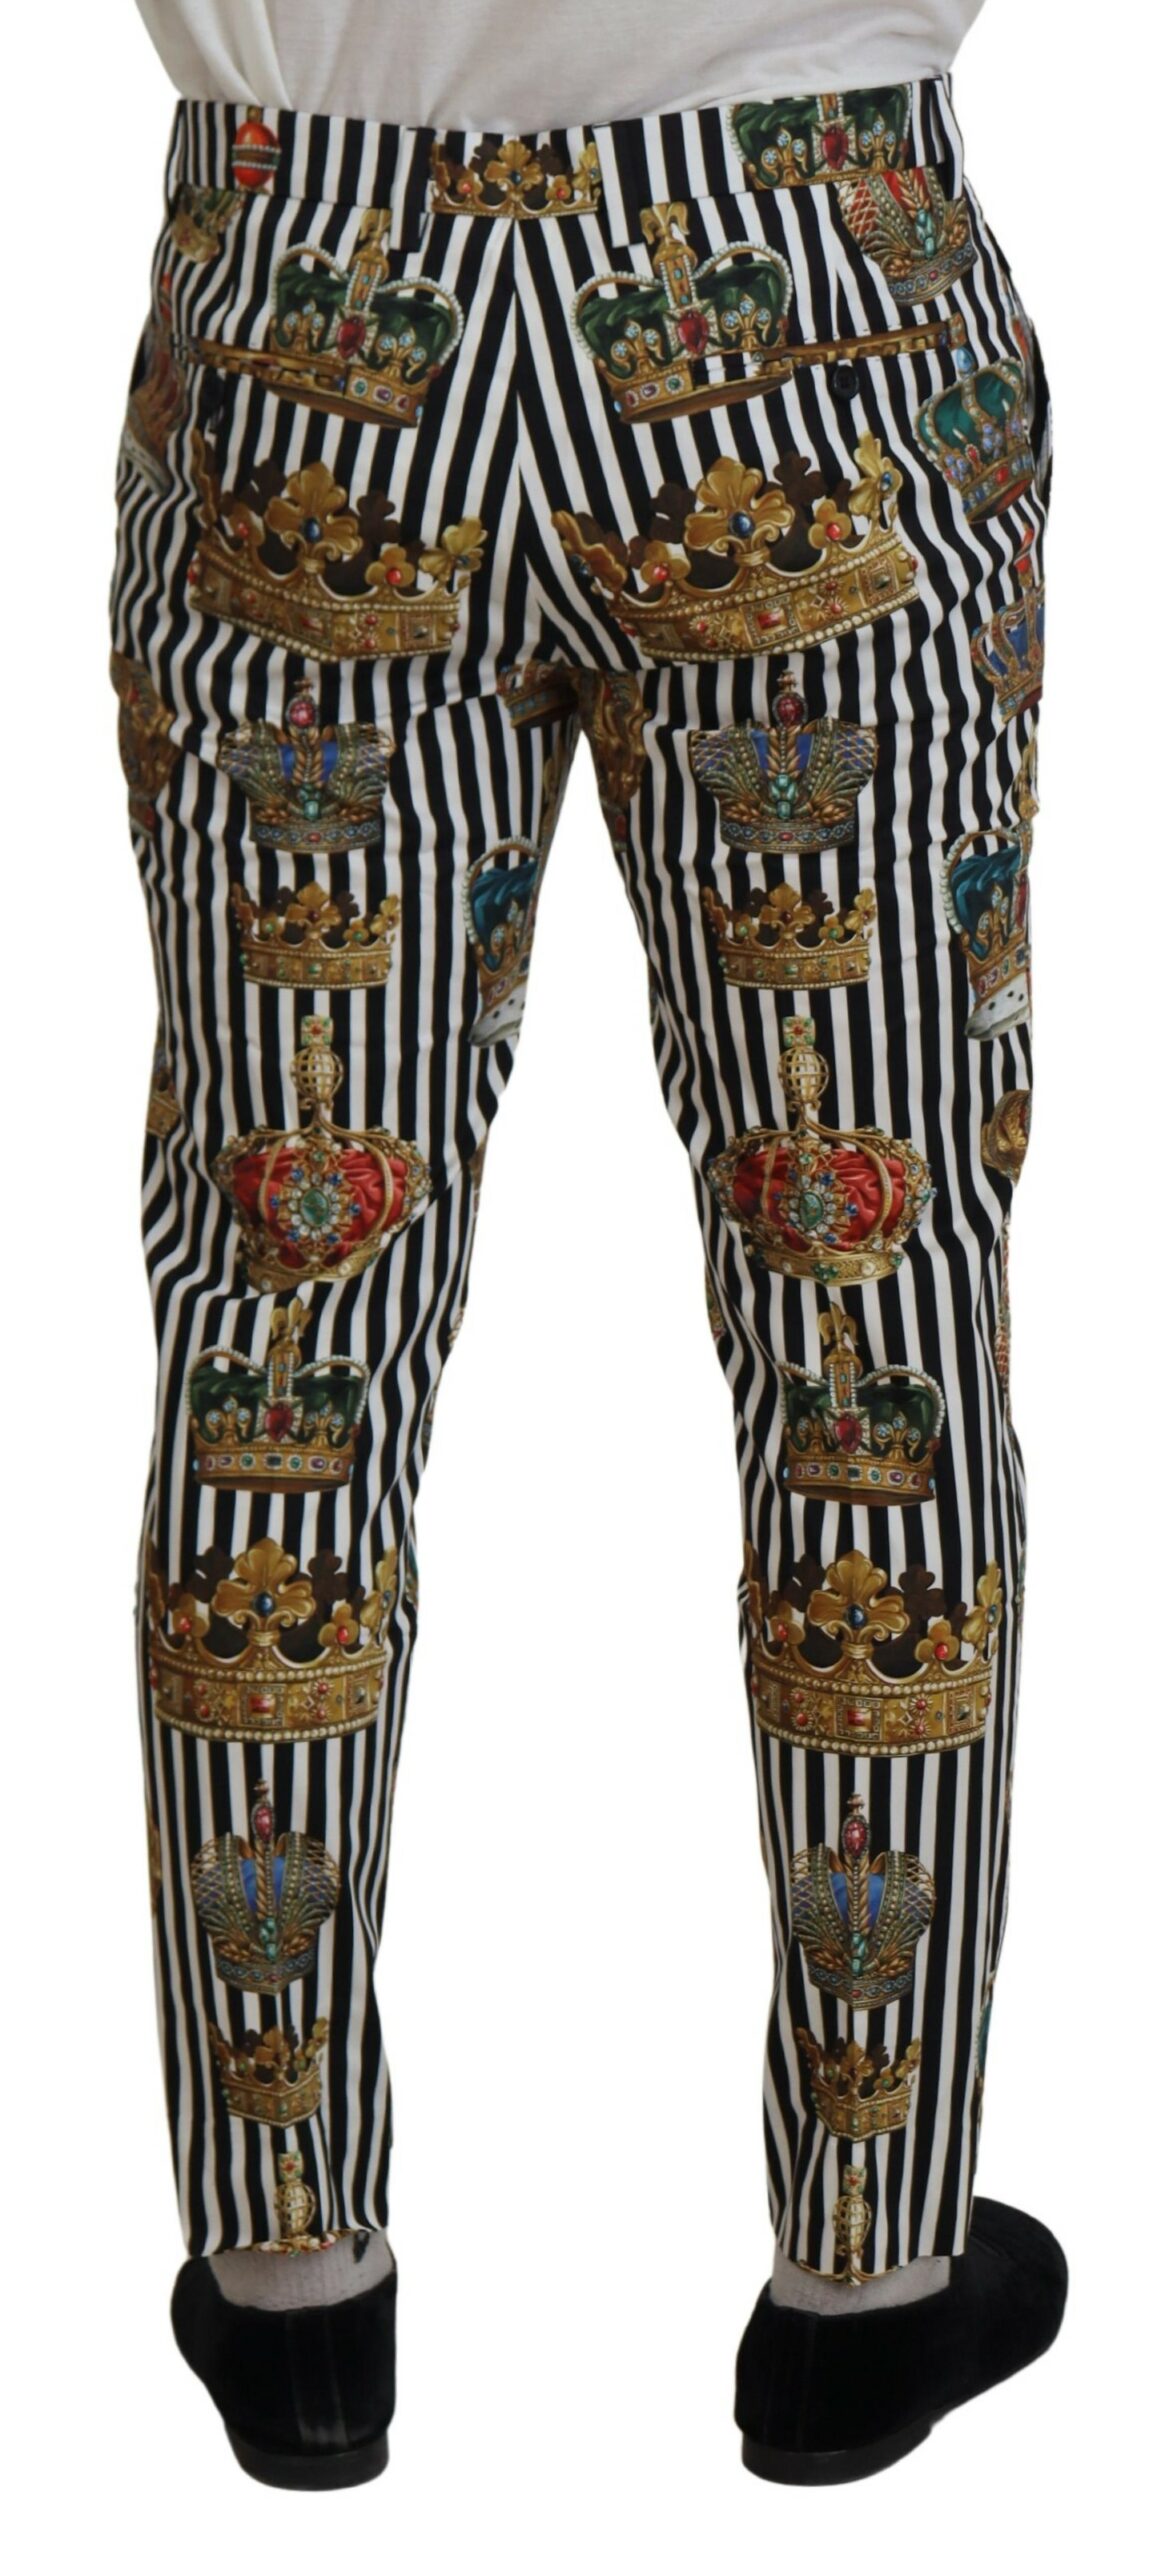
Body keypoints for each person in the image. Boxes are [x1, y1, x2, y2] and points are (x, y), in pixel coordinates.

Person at [114, 0, 1065, 2489]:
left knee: (285, 1327)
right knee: (869, 1304)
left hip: (310, 296)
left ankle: (289, 2279)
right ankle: (867, 2275)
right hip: (802, 290)